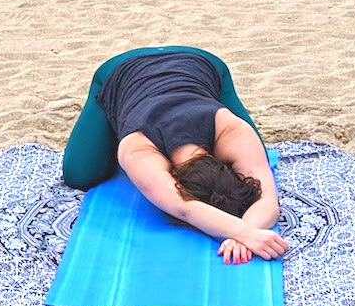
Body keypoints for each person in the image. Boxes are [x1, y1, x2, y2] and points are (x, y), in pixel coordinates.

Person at [62, 48, 285, 264]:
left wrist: (245, 236)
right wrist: (243, 233)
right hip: (120, 71)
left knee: (258, 155)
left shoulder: (233, 130)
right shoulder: (137, 147)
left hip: (198, 66)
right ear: (174, 178)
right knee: (79, 174)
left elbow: (267, 200)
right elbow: (184, 208)